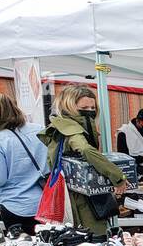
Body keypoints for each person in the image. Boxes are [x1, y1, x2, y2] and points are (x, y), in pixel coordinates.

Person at [39, 84, 125, 236]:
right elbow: (85, 149)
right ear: (70, 106)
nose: (90, 111)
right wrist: (118, 176)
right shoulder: (71, 130)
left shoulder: (63, 126)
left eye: (92, 108)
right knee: (92, 238)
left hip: (76, 193)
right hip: (80, 199)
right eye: (85, 107)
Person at [0, 92, 47, 233]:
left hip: (15, 205)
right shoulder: (38, 129)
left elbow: (0, 180)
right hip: (45, 202)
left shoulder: (0, 139)